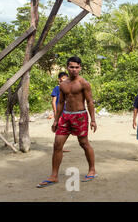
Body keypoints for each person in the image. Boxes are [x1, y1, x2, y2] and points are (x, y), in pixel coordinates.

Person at [37, 56, 97, 188]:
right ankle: (53, 176)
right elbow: (60, 103)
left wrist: (93, 120)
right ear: (67, 67)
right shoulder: (63, 85)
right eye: (71, 67)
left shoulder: (84, 83)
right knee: (57, 144)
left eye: (76, 67)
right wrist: (56, 120)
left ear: (80, 68)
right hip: (65, 116)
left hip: (80, 116)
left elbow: (90, 102)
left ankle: (92, 169)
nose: (74, 69)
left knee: (84, 143)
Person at [50, 71, 70, 152]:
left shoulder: (68, 88)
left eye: (66, 78)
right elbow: (53, 101)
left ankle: (60, 146)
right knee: (59, 130)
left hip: (67, 112)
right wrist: (55, 112)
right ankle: (58, 146)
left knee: (66, 130)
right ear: (59, 79)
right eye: (63, 78)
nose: (65, 80)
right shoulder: (57, 88)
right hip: (60, 113)